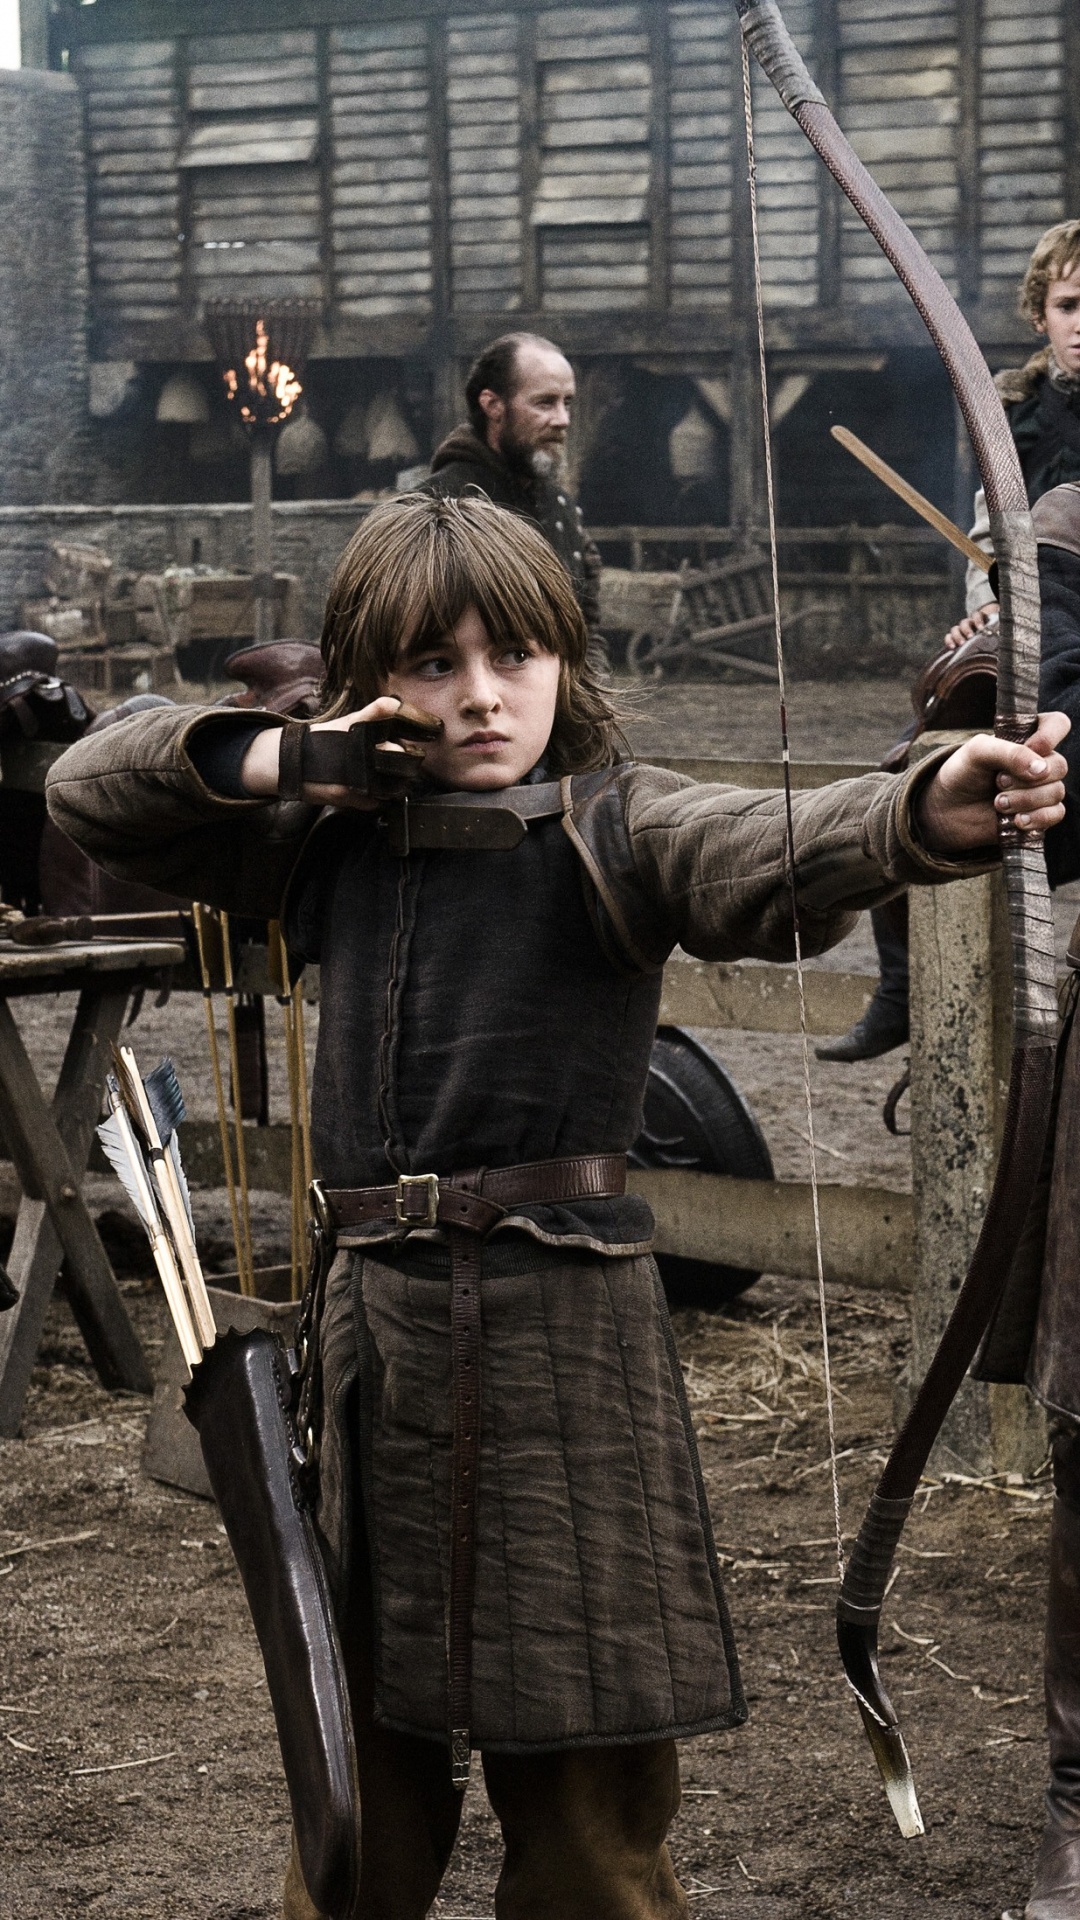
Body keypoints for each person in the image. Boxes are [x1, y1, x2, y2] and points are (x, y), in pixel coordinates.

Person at [44, 493, 1067, 1920]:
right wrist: (295, 757)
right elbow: (89, 787)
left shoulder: (619, 826)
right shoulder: (327, 843)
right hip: (374, 1352)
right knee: (353, 1801)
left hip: (565, 1362)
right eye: (435, 664)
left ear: (563, 665)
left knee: (590, 1821)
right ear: (373, 685)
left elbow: (765, 842)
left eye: (512, 656)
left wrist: (922, 808)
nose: (479, 697)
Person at [818, 218, 1080, 1063]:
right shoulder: (1012, 414)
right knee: (912, 765)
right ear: (1040, 314)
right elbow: (990, 539)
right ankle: (902, 985)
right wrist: (986, 612)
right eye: (1070, 305)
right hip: (1027, 622)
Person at [423, 330, 605, 663]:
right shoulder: (437, 505)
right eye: (545, 402)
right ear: (493, 405)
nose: (563, 420)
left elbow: (586, 630)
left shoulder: (559, 506)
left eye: (567, 403)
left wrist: (589, 687)